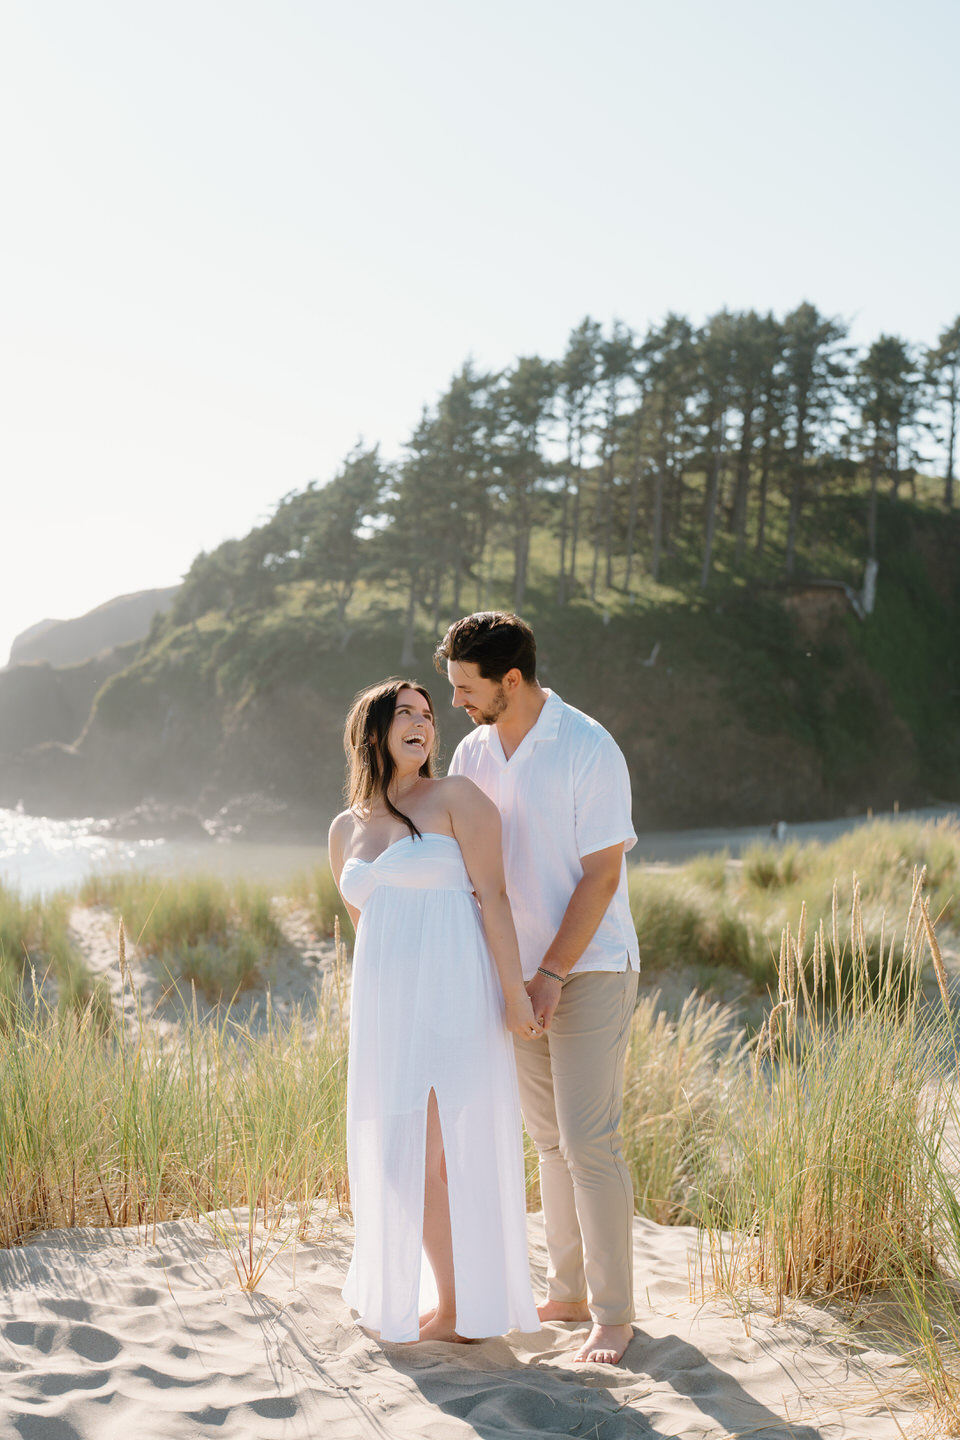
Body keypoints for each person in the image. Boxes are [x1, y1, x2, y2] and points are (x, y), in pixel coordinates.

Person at [435, 612, 640, 1366]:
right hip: (511, 975)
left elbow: (602, 874)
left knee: (590, 1142)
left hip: (589, 967)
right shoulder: (472, 749)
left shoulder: (586, 745)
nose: (455, 700)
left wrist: (551, 974)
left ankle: (614, 1315)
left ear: (509, 680)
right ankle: (567, 1292)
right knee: (550, 1143)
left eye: (466, 687)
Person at [328, 677, 541, 1345]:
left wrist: (514, 996)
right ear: (373, 731)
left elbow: (495, 900)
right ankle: (454, 1300)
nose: (424, 724)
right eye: (407, 714)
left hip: (456, 995)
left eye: (428, 714)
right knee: (397, 1157)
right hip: (389, 1010)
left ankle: (459, 1311)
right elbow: (368, 925)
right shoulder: (344, 829)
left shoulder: (456, 799)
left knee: (439, 1155)